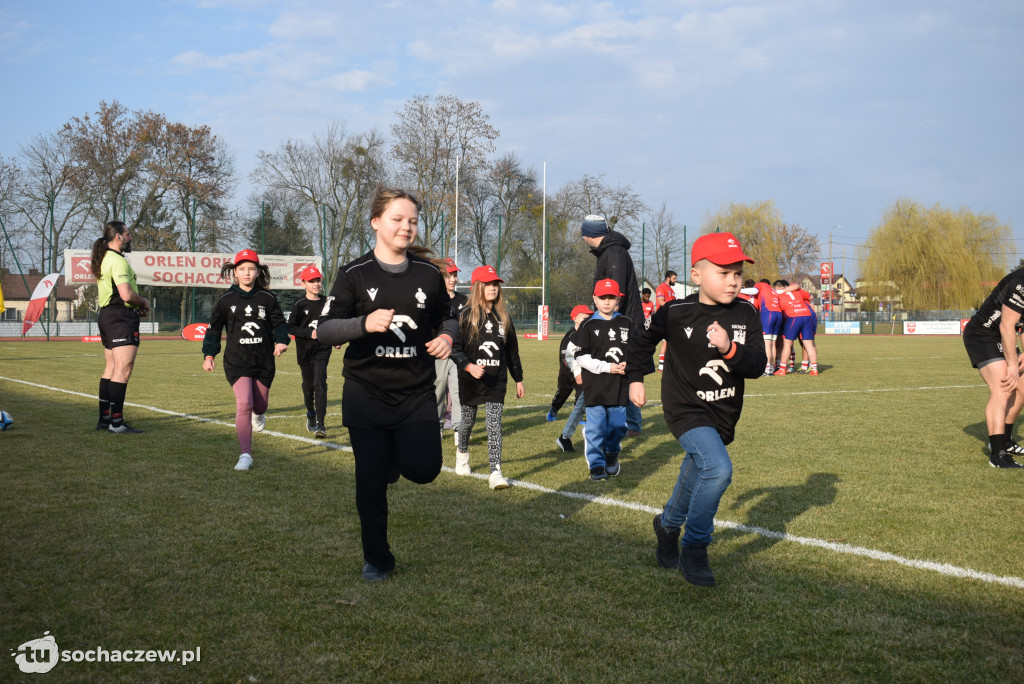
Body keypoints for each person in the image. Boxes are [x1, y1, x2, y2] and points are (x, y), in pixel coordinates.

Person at [316, 186, 458, 581]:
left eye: (412, 220)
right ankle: (377, 559)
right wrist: (363, 324)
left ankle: (395, 461)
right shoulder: (353, 274)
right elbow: (324, 329)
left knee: (426, 468)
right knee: (371, 481)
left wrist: (447, 336)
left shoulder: (430, 275)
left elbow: (449, 317)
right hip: (366, 394)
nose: (406, 227)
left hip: (414, 393)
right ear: (376, 222)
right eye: (397, 219)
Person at [627, 232, 767, 587]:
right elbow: (641, 342)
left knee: (698, 470)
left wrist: (729, 347)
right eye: (724, 273)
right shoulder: (675, 311)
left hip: (724, 413)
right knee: (718, 470)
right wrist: (636, 379)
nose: (733, 281)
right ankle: (695, 546)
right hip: (685, 410)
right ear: (697, 274)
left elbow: (756, 364)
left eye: (737, 273)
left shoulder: (747, 312)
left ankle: (667, 525)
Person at [202, 250, 290, 471]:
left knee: (259, 406)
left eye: (251, 268)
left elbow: (279, 323)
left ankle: (258, 415)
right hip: (236, 360)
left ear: (258, 271)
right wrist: (209, 355)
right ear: (235, 272)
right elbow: (214, 330)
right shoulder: (225, 300)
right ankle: (245, 455)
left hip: (263, 360)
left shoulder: (267, 298)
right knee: (244, 403)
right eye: (242, 269)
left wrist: (281, 341)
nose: (246, 273)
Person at [451, 265, 525, 490]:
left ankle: (496, 472)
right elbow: (455, 348)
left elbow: (512, 351)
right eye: (488, 284)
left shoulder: (504, 317)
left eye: (496, 284)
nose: (493, 288)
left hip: (496, 380)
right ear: (478, 287)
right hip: (471, 380)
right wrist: (468, 367)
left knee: (494, 424)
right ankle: (462, 454)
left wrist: (518, 379)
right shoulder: (464, 315)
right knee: (467, 423)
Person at [581, 214, 646, 436]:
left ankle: (631, 425)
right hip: (621, 320)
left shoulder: (613, 253)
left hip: (622, 322)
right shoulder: (611, 251)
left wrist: (609, 318)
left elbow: (615, 292)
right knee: (620, 370)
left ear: (588, 235)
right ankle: (628, 424)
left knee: (623, 371)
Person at [961, 268, 1024, 468]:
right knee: (1003, 388)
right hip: (983, 334)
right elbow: (1007, 326)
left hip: (1001, 334)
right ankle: (997, 455)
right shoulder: (1020, 283)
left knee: (1022, 388)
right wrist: (1013, 365)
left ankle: (1005, 441)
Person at [91, 220, 150, 434]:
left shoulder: (104, 258)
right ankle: (117, 423)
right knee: (123, 370)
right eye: (128, 234)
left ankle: (105, 419)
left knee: (111, 368)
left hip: (107, 315)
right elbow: (126, 295)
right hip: (120, 317)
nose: (130, 238)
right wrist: (143, 301)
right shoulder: (117, 260)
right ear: (118, 236)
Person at [574, 278, 634, 481]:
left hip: (619, 387)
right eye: (602, 298)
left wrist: (630, 363)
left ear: (618, 299)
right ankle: (597, 465)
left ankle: (611, 454)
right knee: (597, 426)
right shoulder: (588, 324)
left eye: (611, 297)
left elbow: (636, 351)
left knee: (618, 426)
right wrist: (606, 367)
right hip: (596, 386)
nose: (607, 302)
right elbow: (581, 356)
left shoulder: (626, 322)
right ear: (595, 299)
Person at [288, 265, 333, 438]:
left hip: (323, 349)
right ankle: (310, 413)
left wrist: (335, 338)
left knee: (319, 384)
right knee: (308, 387)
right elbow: (290, 327)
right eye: (312, 281)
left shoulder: (328, 302)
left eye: (318, 280)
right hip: (305, 351)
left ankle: (321, 425)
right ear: (303, 283)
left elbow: (334, 322)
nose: (316, 284)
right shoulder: (299, 304)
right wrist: (309, 333)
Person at [434, 258, 468, 442]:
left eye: (454, 275)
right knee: (438, 391)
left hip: (458, 353)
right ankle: (437, 426)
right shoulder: (435, 301)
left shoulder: (464, 301)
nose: (452, 279)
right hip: (439, 354)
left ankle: (458, 429)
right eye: (448, 276)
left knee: (457, 391)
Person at [555, 304, 593, 453]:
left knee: (581, 407)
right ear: (576, 318)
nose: (588, 318)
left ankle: (565, 437)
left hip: (593, 375)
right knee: (588, 407)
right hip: (583, 377)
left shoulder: (590, 330)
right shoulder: (573, 336)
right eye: (585, 316)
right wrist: (576, 372)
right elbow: (568, 357)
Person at [547, 304, 589, 422]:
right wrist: (573, 369)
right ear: (575, 319)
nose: (587, 321)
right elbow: (565, 355)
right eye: (584, 318)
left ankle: (578, 416)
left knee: (581, 394)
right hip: (567, 371)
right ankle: (554, 409)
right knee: (563, 393)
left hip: (582, 371)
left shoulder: (588, 334)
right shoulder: (570, 336)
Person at [774, 286, 818, 376]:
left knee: (787, 343)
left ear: (777, 288)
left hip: (793, 316)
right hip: (807, 314)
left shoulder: (777, 295)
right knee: (809, 344)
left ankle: (782, 369)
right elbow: (809, 296)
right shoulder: (796, 291)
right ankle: (814, 369)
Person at [655, 270, 678, 371]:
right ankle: (661, 367)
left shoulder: (671, 290)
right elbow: (660, 302)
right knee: (665, 342)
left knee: (670, 342)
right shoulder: (661, 287)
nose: (675, 281)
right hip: (663, 318)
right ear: (668, 278)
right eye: (674, 279)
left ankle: (667, 365)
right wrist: (672, 307)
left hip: (670, 317)